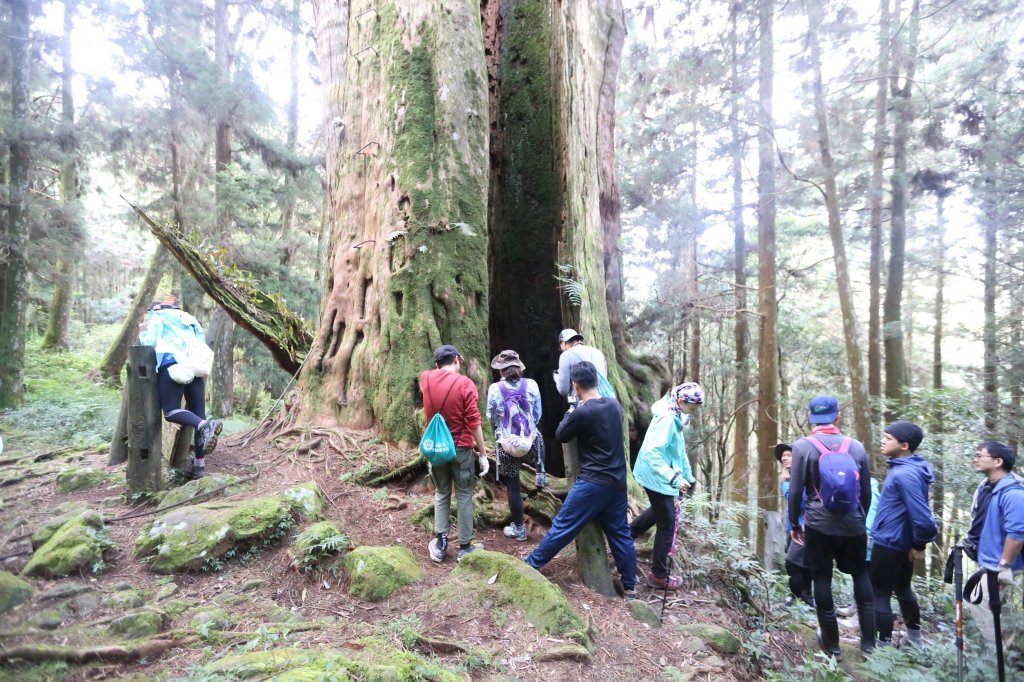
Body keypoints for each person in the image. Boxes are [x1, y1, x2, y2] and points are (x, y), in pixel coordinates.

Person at [525, 361, 637, 597]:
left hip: (593, 483)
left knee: (563, 525)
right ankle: (630, 585)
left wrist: (571, 411)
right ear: (597, 381)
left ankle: (530, 565)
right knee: (619, 533)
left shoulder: (583, 411)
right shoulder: (614, 405)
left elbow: (561, 435)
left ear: (575, 386)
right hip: (617, 482)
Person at [789, 395, 876, 656]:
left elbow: (795, 491)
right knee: (860, 574)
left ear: (811, 418)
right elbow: (866, 492)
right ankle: (869, 644)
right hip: (854, 524)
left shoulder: (803, 447)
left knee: (822, 577)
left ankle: (832, 644)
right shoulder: (856, 447)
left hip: (818, 524)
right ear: (838, 417)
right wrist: (861, 520)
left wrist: (795, 523)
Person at [138, 294, 221, 479]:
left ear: (157, 307)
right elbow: (200, 340)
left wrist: (143, 331)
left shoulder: (157, 317)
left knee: (171, 412)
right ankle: (199, 466)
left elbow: (150, 343)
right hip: (194, 366)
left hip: (172, 363)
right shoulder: (189, 318)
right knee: (199, 412)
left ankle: (206, 425)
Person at [868, 421, 937, 647]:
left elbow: (923, 518)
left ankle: (883, 649)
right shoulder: (908, 468)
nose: (882, 441)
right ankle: (915, 642)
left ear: (904, 445)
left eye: (888, 438)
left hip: (890, 542)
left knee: (880, 593)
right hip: (900, 540)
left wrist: (919, 544)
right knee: (902, 588)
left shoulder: (905, 474)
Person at [630, 382, 704, 590]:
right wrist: (673, 478)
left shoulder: (676, 414)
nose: (695, 410)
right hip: (655, 475)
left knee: (660, 511)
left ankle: (627, 535)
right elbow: (654, 454)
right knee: (667, 523)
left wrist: (687, 476)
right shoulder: (668, 419)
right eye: (693, 406)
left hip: (659, 475)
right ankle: (659, 576)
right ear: (682, 401)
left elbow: (677, 452)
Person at [420, 344, 489, 563]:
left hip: (437, 449)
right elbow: (474, 422)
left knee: (441, 493)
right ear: (457, 360)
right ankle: (465, 547)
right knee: (464, 495)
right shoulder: (465, 384)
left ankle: (440, 545)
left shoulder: (426, 379)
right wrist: (483, 453)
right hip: (461, 449)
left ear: (436, 364)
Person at [965, 441, 1024, 649]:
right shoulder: (987, 487)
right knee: (997, 609)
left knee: (982, 606)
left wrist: (1004, 566)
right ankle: (1010, 652)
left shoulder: (1013, 493)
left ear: (998, 461)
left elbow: (1017, 533)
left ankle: (996, 655)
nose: (976, 458)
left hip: (999, 566)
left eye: (980, 455)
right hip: (988, 561)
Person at [486, 349, 542, 542]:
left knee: (513, 486)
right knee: (538, 439)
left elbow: (490, 417)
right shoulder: (532, 385)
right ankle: (541, 473)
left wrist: (501, 428)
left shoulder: (494, 389)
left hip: (507, 445)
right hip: (531, 445)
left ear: (501, 371)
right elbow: (537, 414)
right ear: (520, 367)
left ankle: (519, 528)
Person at [777, 443, 814, 606]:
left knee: (792, 562)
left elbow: (800, 501)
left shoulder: (805, 476)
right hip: (792, 526)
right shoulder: (790, 477)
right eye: (783, 456)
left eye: (788, 455)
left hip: (804, 526)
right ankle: (802, 596)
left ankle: (801, 596)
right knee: (800, 562)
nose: (784, 458)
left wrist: (785, 481)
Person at [553, 329, 607, 404]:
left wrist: (557, 378)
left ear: (562, 342)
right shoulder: (597, 352)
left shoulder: (565, 356)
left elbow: (563, 390)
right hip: (604, 401)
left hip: (585, 405)